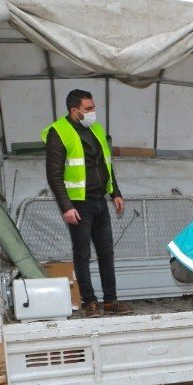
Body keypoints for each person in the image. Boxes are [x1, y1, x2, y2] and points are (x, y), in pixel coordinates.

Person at [43, 88, 133, 318]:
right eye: (89, 108)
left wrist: (115, 193)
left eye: (93, 107)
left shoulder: (96, 129)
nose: (94, 112)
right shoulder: (58, 132)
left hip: (99, 200)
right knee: (82, 255)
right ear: (75, 111)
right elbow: (54, 175)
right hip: (78, 204)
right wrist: (66, 207)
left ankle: (111, 301)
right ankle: (90, 301)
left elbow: (107, 163)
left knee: (106, 253)